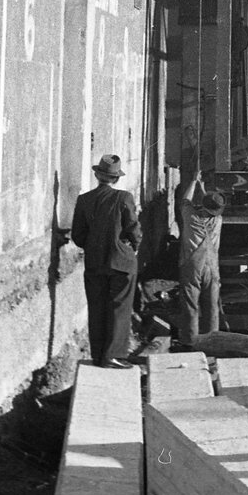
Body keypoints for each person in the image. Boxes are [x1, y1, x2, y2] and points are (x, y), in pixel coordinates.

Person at [70, 153, 142, 368]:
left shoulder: (84, 200)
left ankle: (99, 355)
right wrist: (134, 247)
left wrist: (93, 247)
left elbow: (78, 235)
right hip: (121, 261)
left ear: (98, 175)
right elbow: (133, 229)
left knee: (97, 307)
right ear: (116, 178)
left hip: (94, 262)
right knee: (119, 307)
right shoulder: (124, 198)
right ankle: (114, 355)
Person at [178, 173, 225, 346]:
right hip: (212, 269)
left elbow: (185, 201)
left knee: (191, 306)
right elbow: (209, 204)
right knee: (212, 306)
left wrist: (194, 182)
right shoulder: (218, 221)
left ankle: (190, 342)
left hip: (192, 267)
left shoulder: (190, 217)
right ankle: (212, 343)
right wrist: (204, 189)